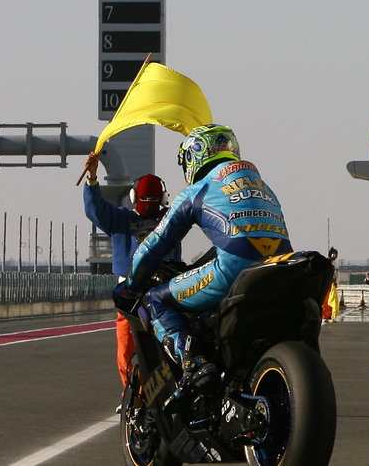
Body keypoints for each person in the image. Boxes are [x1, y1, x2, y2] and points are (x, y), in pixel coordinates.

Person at [123, 124, 291, 391]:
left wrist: (131, 283)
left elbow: (157, 242)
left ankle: (194, 365)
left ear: (193, 156)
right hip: (281, 270)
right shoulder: (264, 187)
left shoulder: (199, 189)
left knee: (157, 300)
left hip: (234, 270)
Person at [80, 156, 179, 387]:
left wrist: (92, 179)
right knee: (169, 336)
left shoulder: (121, 218)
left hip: (130, 292)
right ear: (164, 198)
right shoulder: (171, 219)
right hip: (164, 287)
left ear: (133, 197)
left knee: (127, 343)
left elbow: (95, 209)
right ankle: (166, 388)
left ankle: (130, 392)